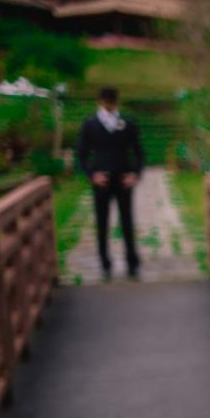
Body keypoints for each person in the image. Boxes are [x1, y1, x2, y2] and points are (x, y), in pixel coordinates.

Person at [76, 86, 144, 280]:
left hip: (123, 179)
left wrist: (135, 174)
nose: (109, 106)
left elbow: (139, 153)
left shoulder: (128, 123)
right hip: (101, 181)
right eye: (106, 102)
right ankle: (105, 263)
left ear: (117, 102)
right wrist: (92, 175)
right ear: (100, 102)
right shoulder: (90, 124)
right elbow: (81, 155)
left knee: (127, 222)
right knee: (102, 222)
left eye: (112, 103)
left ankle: (132, 262)